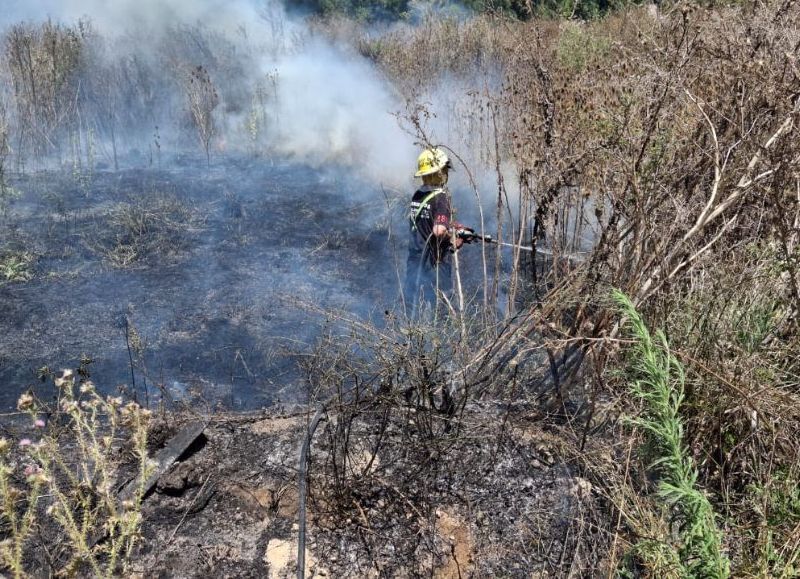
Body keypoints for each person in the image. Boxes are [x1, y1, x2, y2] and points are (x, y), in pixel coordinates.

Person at [403, 147, 464, 318]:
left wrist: (450, 225)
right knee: (442, 307)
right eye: (444, 169)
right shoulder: (441, 197)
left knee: (414, 305)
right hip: (435, 262)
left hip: (415, 259)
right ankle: (442, 341)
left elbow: (426, 221)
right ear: (439, 172)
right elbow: (438, 230)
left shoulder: (417, 195)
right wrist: (454, 237)